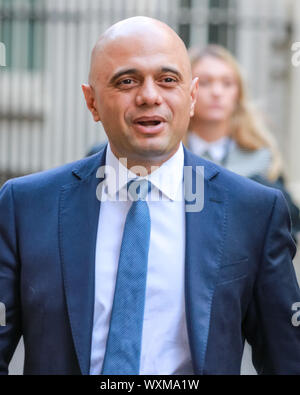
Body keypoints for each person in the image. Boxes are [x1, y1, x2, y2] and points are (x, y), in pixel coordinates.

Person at [0, 17, 299, 376]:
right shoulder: (26, 207)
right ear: (91, 102)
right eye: (126, 81)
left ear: (190, 97)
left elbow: (288, 359)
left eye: (167, 80)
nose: (149, 96)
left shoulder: (254, 212)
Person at [187, 44, 300, 242]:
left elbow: (287, 229)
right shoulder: (168, 155)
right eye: (205, 82)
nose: (216, 92)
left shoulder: (261, 159)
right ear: (189, 91)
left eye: (227, 83)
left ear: (238, 93)